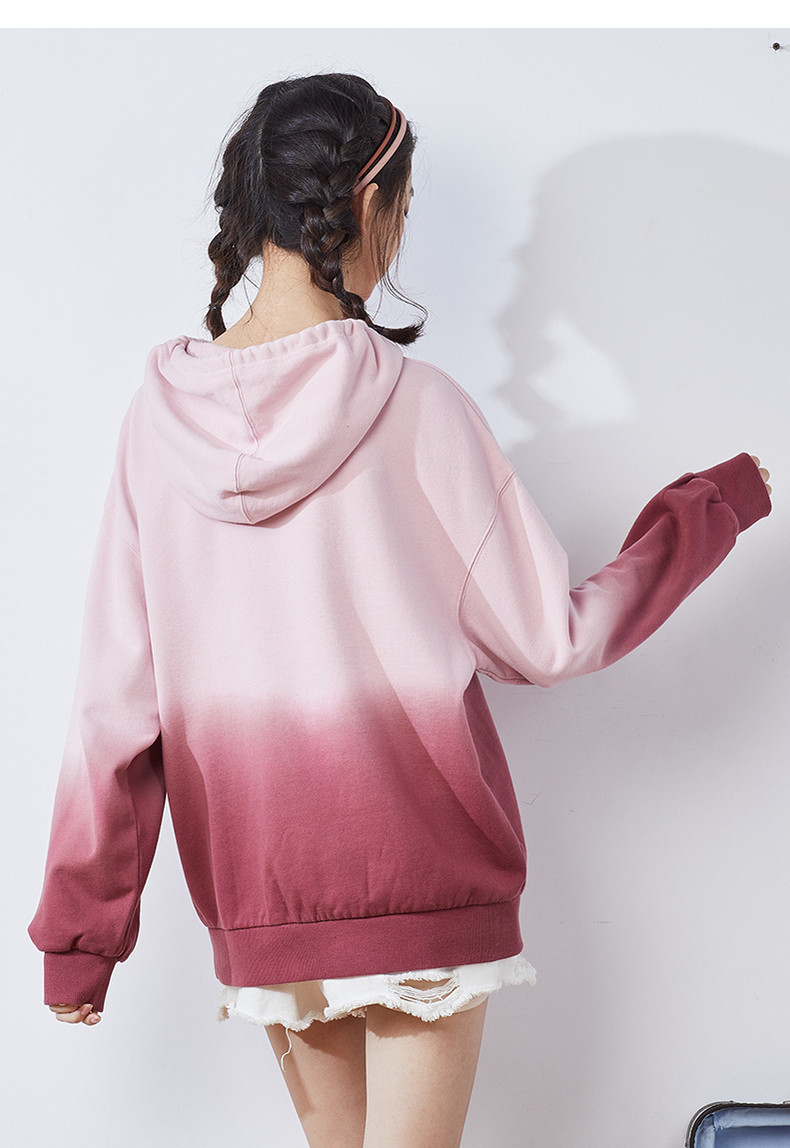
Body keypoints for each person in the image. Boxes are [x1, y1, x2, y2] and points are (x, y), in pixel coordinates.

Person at [29, 73, 772, 1148]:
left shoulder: (157, 425)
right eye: (406, 208)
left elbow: (115, 705)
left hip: (262, 889)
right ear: (370, 202)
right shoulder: (418, 406)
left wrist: (81, 935)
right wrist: (710, 509)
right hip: (422, 875)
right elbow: (552, 640)